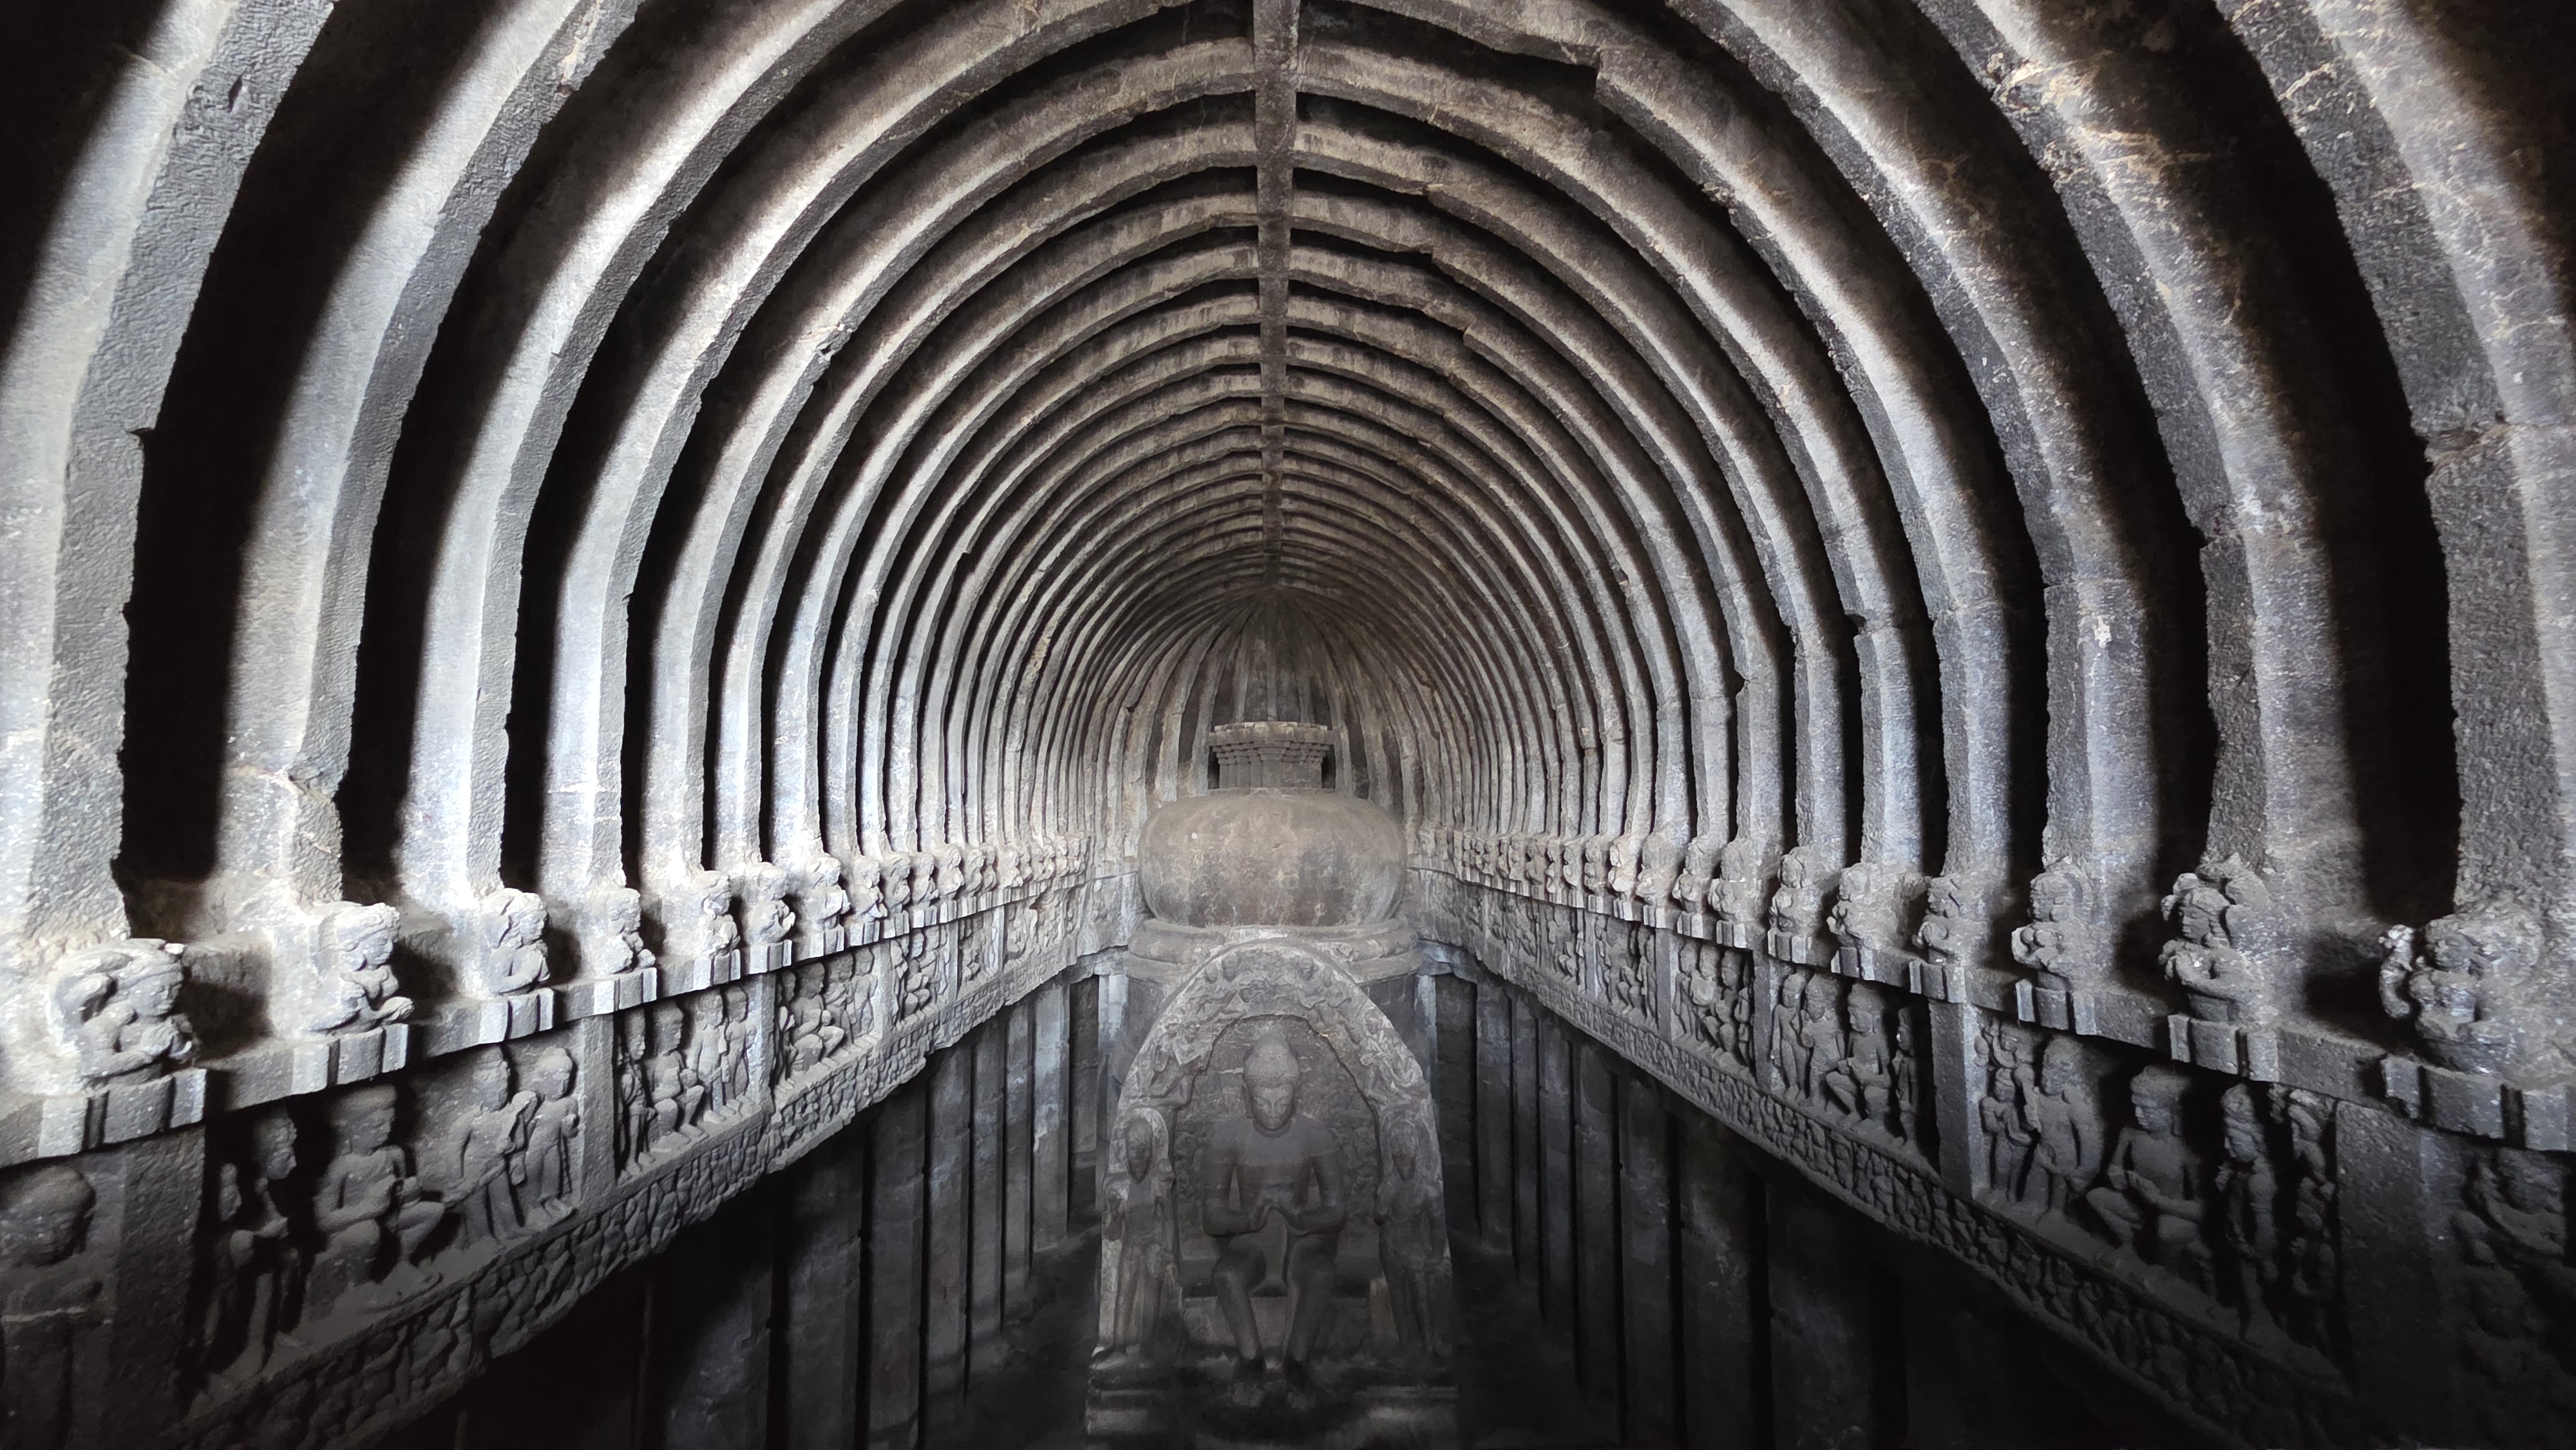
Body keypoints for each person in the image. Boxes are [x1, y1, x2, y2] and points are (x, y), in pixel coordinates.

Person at [1201, 1034, 1347, 1380]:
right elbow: (1211, 1215)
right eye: (1262, 1103)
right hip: (1252, 1242)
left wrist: (1299, 1215)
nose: (1271, 1112)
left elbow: (1338, 1211)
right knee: (1225, 1275)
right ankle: (1250, 1362)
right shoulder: (1228, 1138)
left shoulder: (1315, 1137)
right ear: (1246, 1095)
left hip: (1302, 1242)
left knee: (1323, 1274)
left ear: (1297, 1095)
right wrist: (1249, 1219)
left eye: (1281, 1104)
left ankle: (1297, 1363)